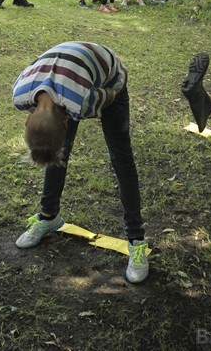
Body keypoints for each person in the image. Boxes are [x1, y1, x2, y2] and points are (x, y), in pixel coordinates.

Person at [12, 41, 149, 283]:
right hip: (69, 74)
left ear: (67, 121)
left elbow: (111, 94)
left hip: (109, 77)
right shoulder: (20, 95)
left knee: (121, 157)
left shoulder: (83, 101)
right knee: (52, 146)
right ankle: (48, 217)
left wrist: (110, 91)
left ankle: (136, 240)